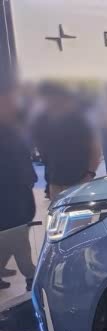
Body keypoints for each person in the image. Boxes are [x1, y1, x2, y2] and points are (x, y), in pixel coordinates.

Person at [32, 82, 100, 201]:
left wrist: (90, 174)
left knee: (77, 210)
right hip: (55, 181)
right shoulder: (43, 120)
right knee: (57, 210)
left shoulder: (79, 120)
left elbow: (95, 149)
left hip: (79, 179)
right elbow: (40, 146)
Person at [0, 82, 37, 291]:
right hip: (7, 194)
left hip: (18, 191)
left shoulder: (12, 128)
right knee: (18, 236)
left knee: (12, 234)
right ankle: (31, 275)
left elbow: (22, 156)